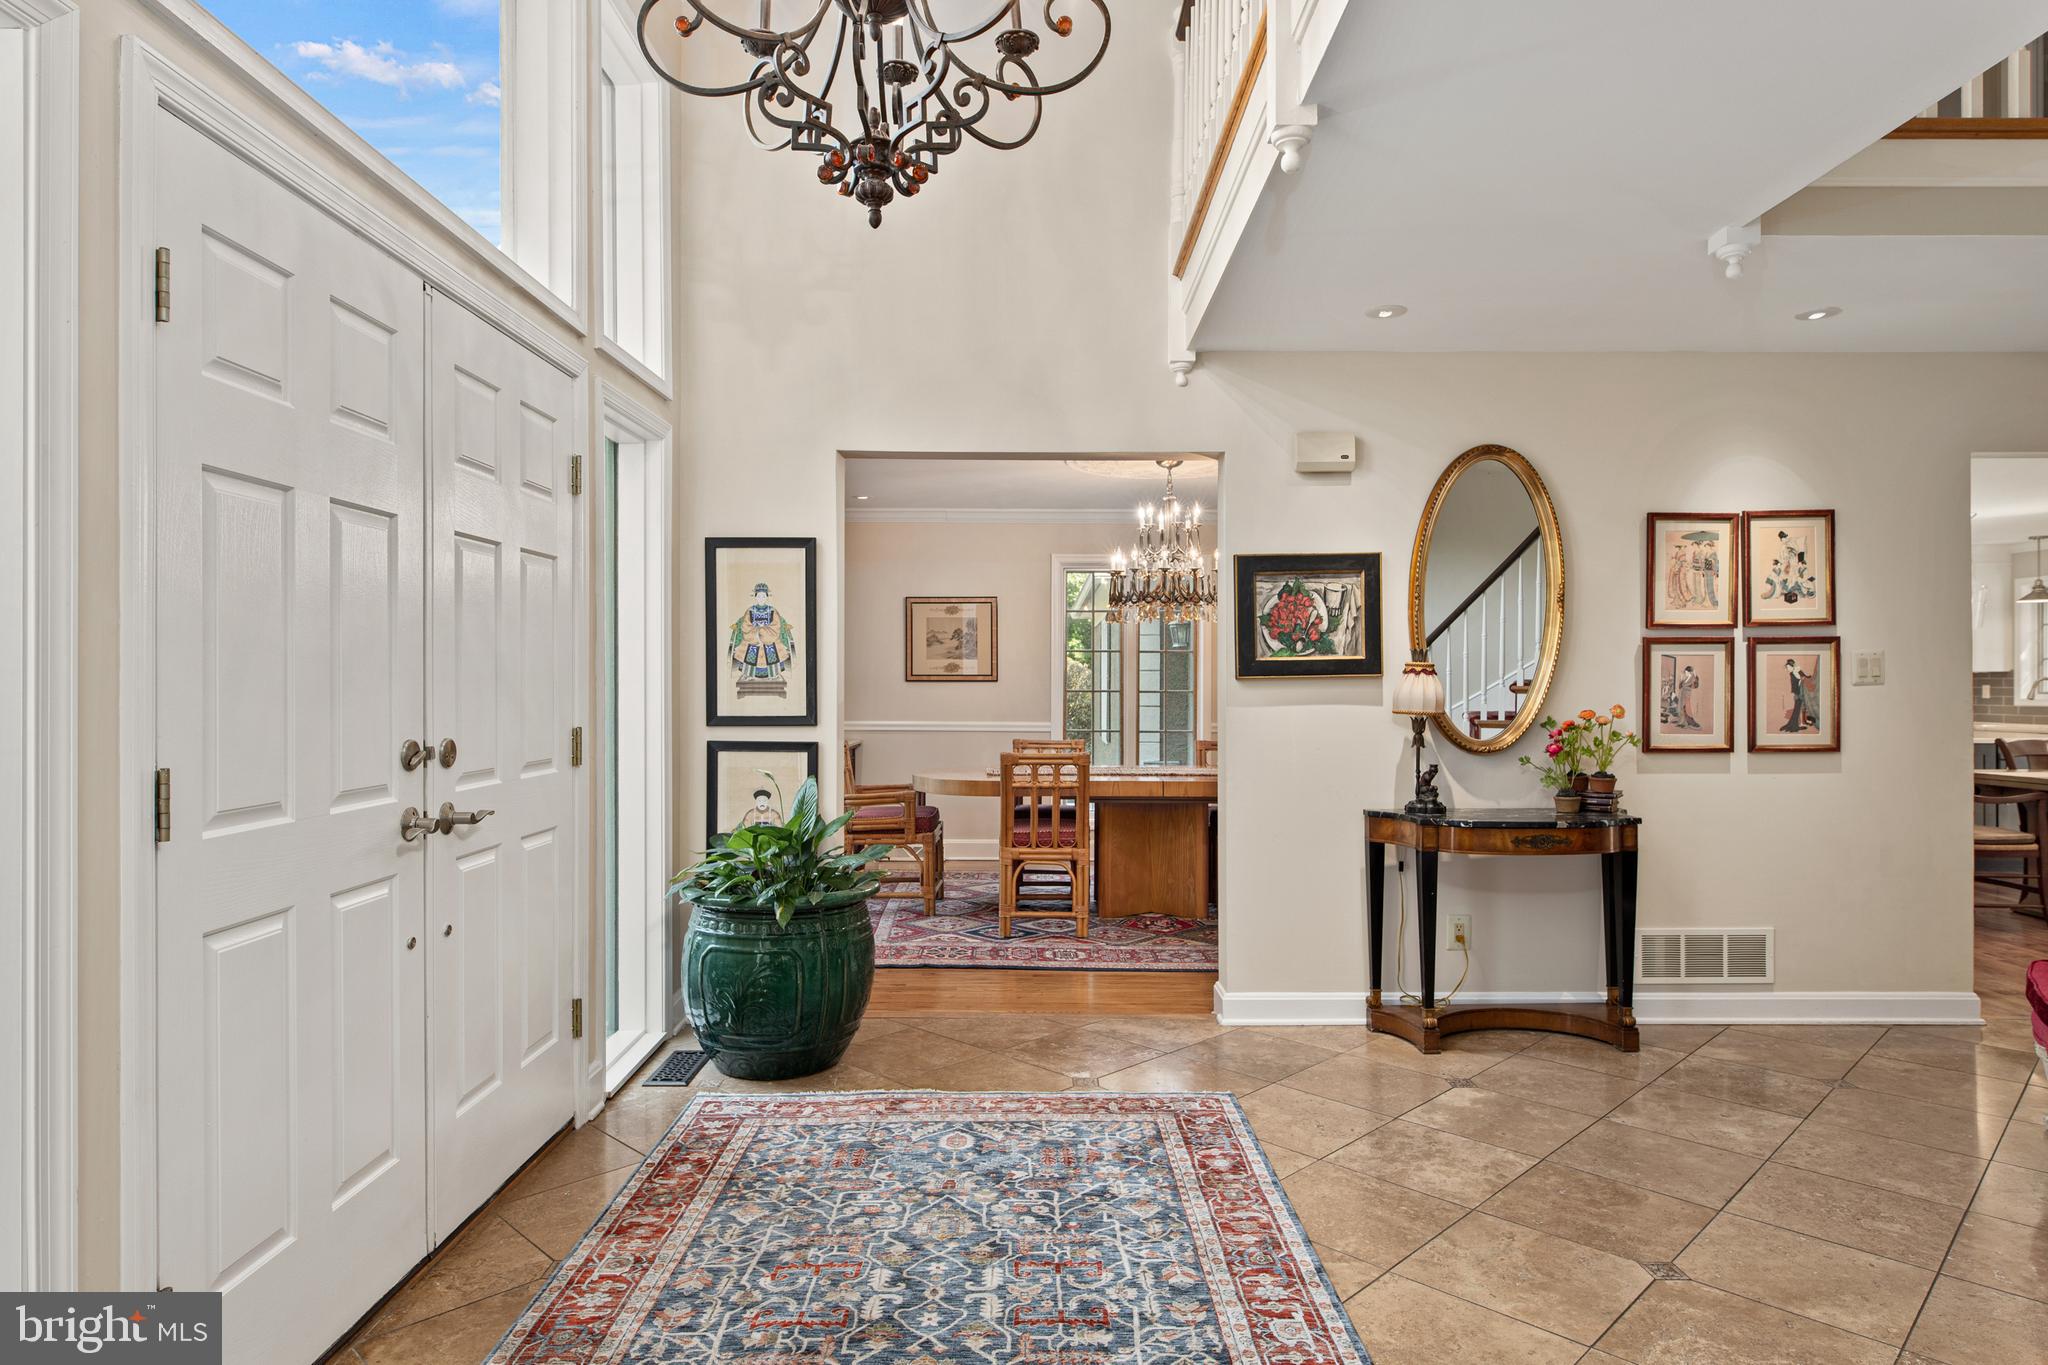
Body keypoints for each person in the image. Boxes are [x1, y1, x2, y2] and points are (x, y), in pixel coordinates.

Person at [730, 582, 796, 696]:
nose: (761, 598)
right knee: (751, 651)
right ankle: (749, 675)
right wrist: (756, 634)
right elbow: (745, 626)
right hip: (753, 639)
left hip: (769, 639)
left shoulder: (772, 611)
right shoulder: (750, 611)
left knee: (771, 650)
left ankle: (773, 675)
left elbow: (776, 626)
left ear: (767, 597)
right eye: (759, 596)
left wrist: (763, 633)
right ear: (755, 596)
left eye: (763, 596)